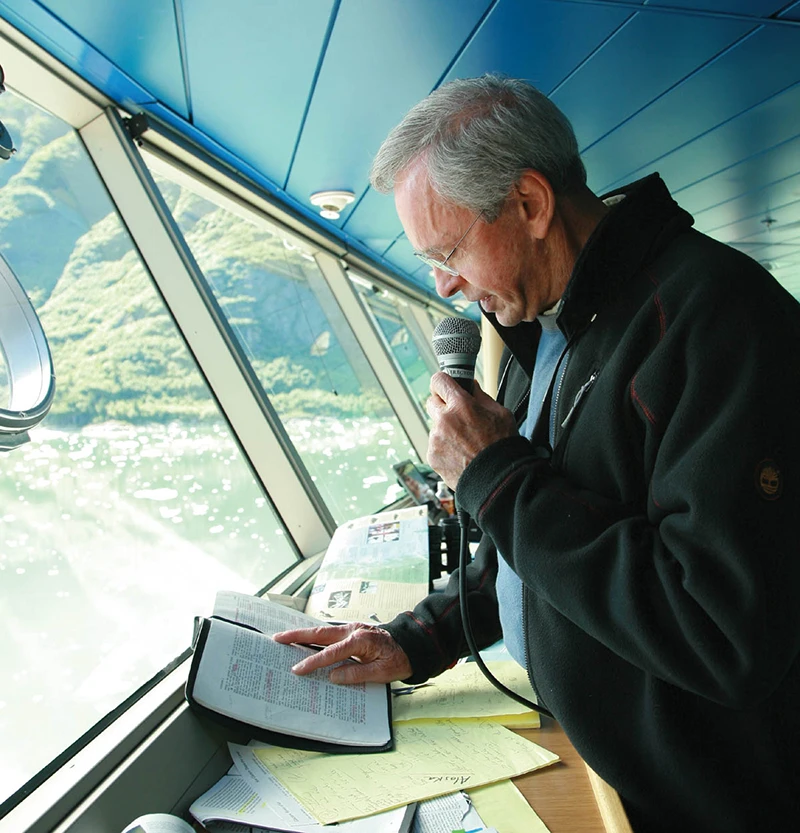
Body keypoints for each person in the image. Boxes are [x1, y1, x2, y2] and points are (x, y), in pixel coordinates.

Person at [274, 75, 800, 832]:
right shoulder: (547, 327)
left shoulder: (718, 321)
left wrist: (496, 476)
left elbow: (718, 631)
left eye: (448, 249)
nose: (446, 284)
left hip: (698, 802)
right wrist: (417, 639)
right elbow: (539, 547)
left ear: (529, 204)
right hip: (600, 764)